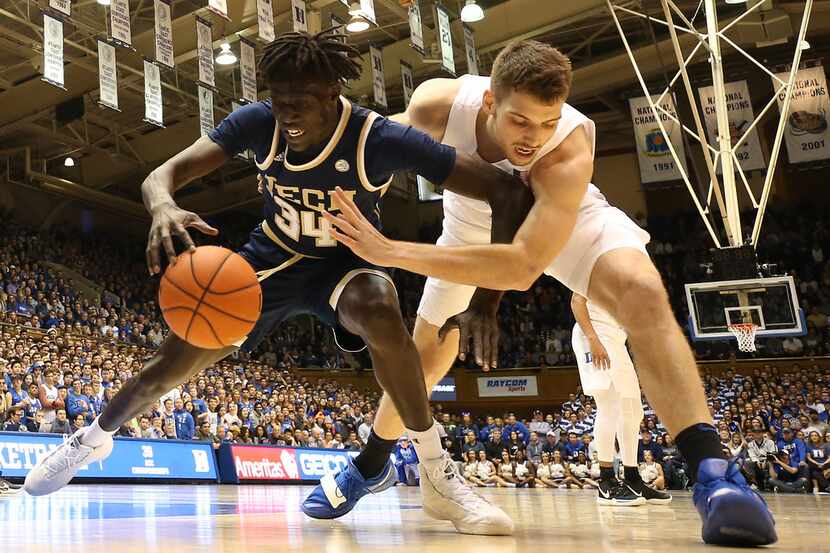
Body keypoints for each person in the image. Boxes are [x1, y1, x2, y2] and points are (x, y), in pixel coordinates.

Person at [24, 29, 517, 536]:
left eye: (300, 103)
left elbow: (503, 190)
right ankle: (93, 438)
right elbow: (161, 175)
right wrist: (164, 206)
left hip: (347, 263)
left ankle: (435, 468)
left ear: (332, 95)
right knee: (172, 362)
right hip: (271, 259)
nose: (287, 114)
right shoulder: (259, 123)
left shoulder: (379, 139)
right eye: (279, 102)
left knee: (380, 308)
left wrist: (487, 299)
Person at [323, 39, 775, 545]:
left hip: (556, 222)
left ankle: (715, 476)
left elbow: (520, 266)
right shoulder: (438, 103)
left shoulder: (569, 143)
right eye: (520, 121)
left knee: (642, 289)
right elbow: (366, 154)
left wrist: (393, 252)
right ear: (490, 102)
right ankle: (371, 463)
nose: (533, 138)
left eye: (546, 121)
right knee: (422, 359)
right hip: (469, 228)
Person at [571, 292, 670, 506]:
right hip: (594, 334)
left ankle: (632, 478)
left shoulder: (631, 272)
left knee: (633, 410)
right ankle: (606, 482)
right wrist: (593, 339)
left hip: (616, 340)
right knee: (609, 405)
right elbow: (577, 301)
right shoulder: (595, 260)